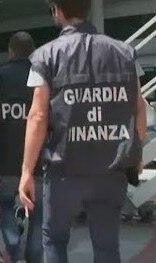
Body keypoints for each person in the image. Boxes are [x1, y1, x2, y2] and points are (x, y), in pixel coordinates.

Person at [18, 1, 147, 263]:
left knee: (54, 240)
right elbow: (140, 109)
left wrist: (26, 171)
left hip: (64, 172)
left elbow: (38, 115)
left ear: (57, 10)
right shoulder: (124, 53)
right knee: (107, 248)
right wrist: (137, 153)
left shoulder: (46, 56)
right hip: (110, 171)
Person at [0, 32, 42, 263]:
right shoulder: (44, 76)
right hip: (39, 160)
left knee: (4, 203)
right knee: (39, 214)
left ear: (10, 52)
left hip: (6, 158)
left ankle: (15, 251)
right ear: (33, 53)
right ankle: (34, 258)